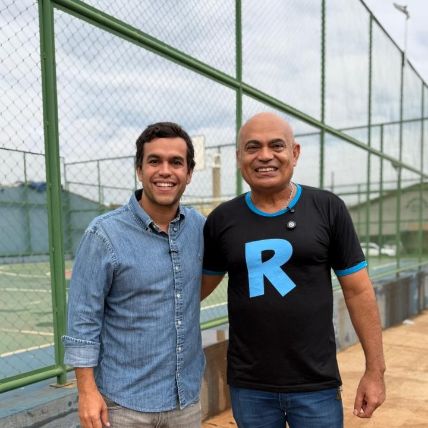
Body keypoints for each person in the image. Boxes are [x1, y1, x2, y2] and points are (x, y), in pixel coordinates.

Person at [202, 112, 386, 428]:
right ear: (239, 157)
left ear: (295, 153)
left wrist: (375, 370)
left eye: (276, 146)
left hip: (316, 384)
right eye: (252, 147)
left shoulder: (327, 208)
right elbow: (196, 290)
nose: (265, 156)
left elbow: (358, 291)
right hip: (249, 386)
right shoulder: (222, 219)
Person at [63, 122, 205, 428]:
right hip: (122, 405)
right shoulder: (104, 234)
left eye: (176, 162)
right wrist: (86, 392)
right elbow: (82, 318)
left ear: (189, 173)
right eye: (154, 161)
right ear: (139, 170)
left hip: (185, 401)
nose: (165, 171)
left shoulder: (199, 228)